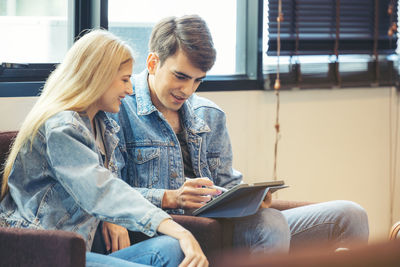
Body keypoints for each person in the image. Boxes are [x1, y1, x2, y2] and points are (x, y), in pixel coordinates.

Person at [108, 15, 369, 253]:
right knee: (270, 223)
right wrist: (172, 197)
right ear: (153, 63)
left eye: (198, 80)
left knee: (350, 215)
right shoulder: (119, 110)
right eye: (181, 76)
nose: (187, 90)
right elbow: (108, 191)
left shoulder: (210, 115)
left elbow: (227, 184)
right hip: (172, 231)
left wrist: (250, 199)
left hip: (228, 227)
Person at [0, 29, 208, 267]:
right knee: (176, 240)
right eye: (124, 79)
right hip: (43, 253)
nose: (130, 90)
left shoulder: (104, 125)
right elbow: (102, 191)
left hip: (77, 252)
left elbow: (114, 189)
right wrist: (182, 231)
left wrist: (119, 217)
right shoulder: (62, 128)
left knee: (171, 249)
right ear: (98, 76)